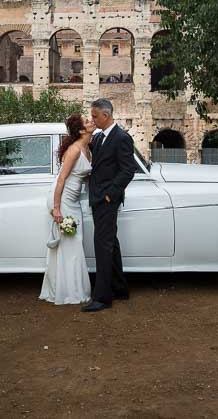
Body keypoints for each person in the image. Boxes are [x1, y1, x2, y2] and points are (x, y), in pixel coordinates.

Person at [83, 98, 136, 313]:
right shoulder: (99, 137)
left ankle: (102, 297)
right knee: (110, 243)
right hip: (98, 198)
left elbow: (128, 170)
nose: (93, 120)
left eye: (95, 116)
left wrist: (109, 195)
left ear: (106, 115)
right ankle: (120, 288)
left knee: (102, 246)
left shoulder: (121, 138)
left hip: (106, 200)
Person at [39, 114, 94, 305]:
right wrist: (56, 208)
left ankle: (69, 288)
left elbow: (84, 176)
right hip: (62, 200)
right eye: (87, 121)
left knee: (74, 243)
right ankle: (69, 292)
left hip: (74, 200)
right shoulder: (74, 150)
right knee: (71, 243)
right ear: (81, 131)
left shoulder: (87, 149)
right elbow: (61, 179)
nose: (91, 121)